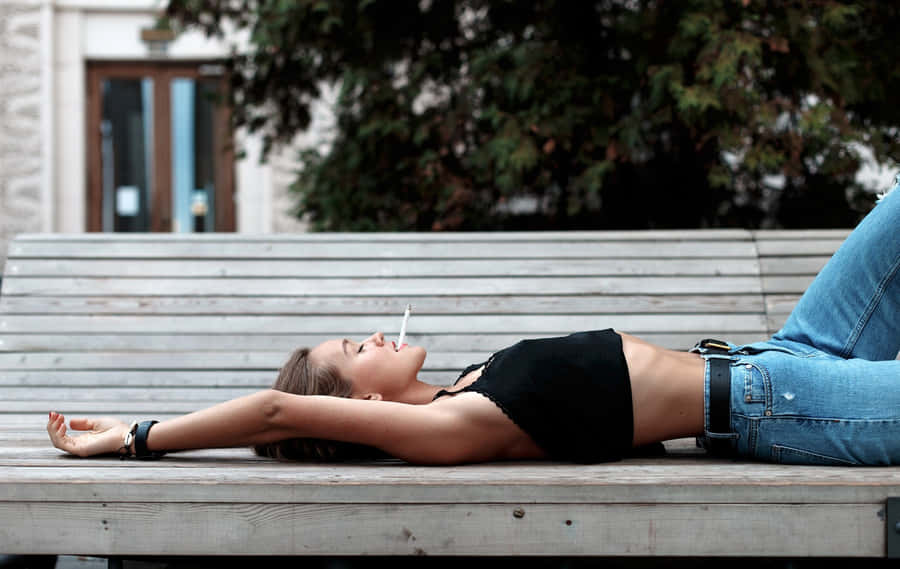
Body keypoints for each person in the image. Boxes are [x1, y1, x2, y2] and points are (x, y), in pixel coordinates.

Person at [47, 179, 900, 466]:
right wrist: (133, 435)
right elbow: (272, 412)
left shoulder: (469, 386)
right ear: (359, 405)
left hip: (780, 357)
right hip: (783, 408)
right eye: (354, 349)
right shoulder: (459, 424)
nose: (372, 336)